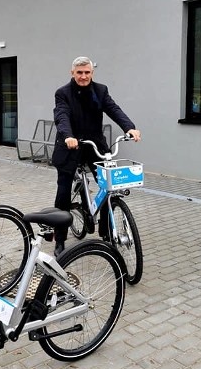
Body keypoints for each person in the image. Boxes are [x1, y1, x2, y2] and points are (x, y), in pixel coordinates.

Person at [51, 56, 141, 256]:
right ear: (72, 73)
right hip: (70, 145)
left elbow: (113, 109)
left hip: (94, 145)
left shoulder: (101, 90)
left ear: (92, 73)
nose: (84, 76)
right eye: (80, 72)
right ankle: (60, 239)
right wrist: (68, 136)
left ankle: (106, 232)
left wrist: (129, 127)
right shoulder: (63, 93)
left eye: (87, 72)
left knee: (108, 184)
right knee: (63, 193)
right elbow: (61, 115)